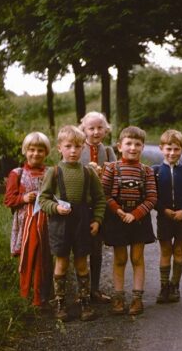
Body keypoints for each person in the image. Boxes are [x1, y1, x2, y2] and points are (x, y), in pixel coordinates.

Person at [39, 125, 106, 321]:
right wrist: (55, 208)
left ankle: (84, 301)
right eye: (68, 146)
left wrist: (97, 220)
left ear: (83, 148)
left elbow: (100, 199)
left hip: (83, 221)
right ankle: (60, 303)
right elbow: (43, 199)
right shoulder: (54, 172)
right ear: (59, 148)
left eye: (77, 146)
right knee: (61, 262)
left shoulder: (88, 172)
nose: (73, 151)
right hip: (60, 223)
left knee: (81, 262)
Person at [101, 126, 157, 315]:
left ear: (142, 147)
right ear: (119, 146)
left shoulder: (146, 171)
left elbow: (151, 198)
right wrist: (118, 211)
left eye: (137, 144)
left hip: (139, 219)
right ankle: (118, 297)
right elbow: (105, 193)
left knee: (136, 258)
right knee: (120, 258)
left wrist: (135, 214)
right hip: (117, 218)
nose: (133, 148)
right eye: (129, 144)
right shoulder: (112, 168)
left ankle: (137, 298)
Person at [4, 132, 53, 310]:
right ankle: (25, 295)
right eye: (31, 150)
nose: (36, 154)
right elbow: (9, 199)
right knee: (27, 258)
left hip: (46, 221)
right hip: (25, 222)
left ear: (46, 152)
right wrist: (24, 198)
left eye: (40, 150)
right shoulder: (17, 173)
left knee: (44, 258)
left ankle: (41, 295)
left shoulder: (50, 172)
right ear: (25, 151)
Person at [152, 129, 182, 303]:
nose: (172, 153)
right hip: (164, 216)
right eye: (168, 149)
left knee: (179, 250)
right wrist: (162, 209)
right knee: (165, 251)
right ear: (161, 148)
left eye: (176, 149)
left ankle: (175, 285)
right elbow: (152, 194)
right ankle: (164, 287)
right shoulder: (155, 171)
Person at [79, 111, 116, 304]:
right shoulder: (77, 149)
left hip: (100, 207)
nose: (95, 132)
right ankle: (81, 290)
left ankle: (94, 289)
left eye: (100, 128)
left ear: (106, 129)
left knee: (97, 249)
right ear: (83, 129)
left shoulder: (108, 151)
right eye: (91, 128)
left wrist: (105, 173)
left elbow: (115, 174)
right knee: (79, 249)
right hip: (80, 206)